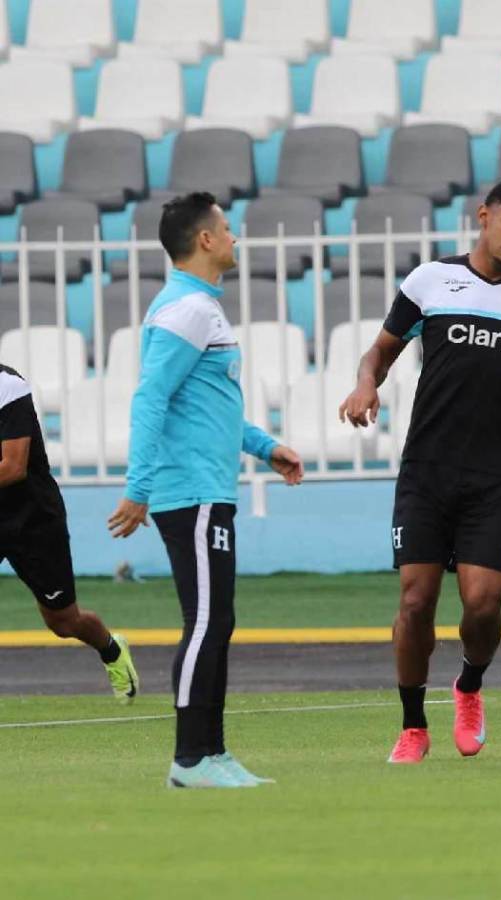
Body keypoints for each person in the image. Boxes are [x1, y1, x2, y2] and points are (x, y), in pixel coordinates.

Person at [339, 178, 501, 765]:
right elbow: (379, 352)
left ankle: (468, 686)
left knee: (482, 605)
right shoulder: (430, 281)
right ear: (483, 216)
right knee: (416, 601)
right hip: (428, 468)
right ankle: (413, 725)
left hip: (496, 472)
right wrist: (366, 384)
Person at [107, 192, 304, 788]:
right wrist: (137, 487)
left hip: (208, 490)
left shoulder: (202, 309)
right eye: (227, 228)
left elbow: (212, 408)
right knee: (206, 621)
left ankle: (212, 755)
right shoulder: (186, 311)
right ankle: (191, 759)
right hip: (188, 493)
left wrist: (266, 448)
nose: (235, 238)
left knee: (217, 620)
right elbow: (150, 398)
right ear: (206, 240)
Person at [0, 365, 139, 700]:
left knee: (64, 621)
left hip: (32, 519)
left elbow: (13, 467)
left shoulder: (7, 385)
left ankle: (111, 649)